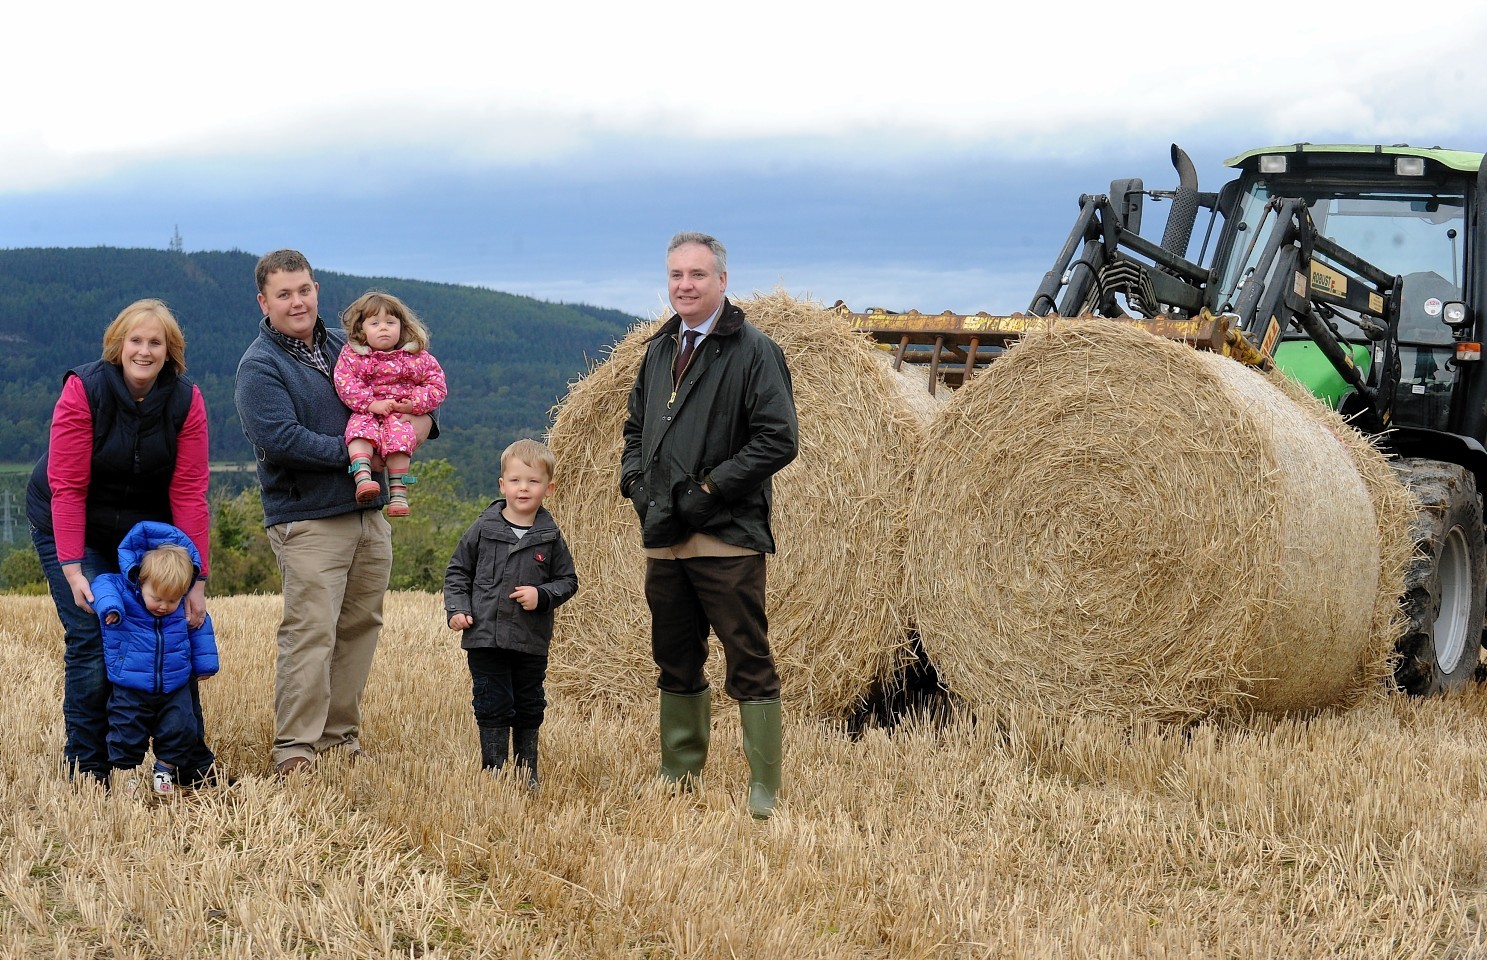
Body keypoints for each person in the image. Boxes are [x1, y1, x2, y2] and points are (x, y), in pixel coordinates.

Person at [234, 249, 435, 777]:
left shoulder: (350, 345)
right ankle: (296, 748)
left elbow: (407, 391)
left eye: (303, 290)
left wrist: (421, 425)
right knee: (311, 631)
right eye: (284, 294)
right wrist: (355, 454)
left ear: (316, 290)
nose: (296, 301)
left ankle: (338, 737)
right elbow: (279, 440)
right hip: (309, 519)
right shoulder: (260, 366)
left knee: (360, 625)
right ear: (265, 301)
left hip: (371, 514)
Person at [619, 232, 799, 818]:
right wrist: (637, 487)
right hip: (664, 537)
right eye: (676, 275)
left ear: (722, 280)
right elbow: (634, 433)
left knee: (746, 656)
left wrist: (709, 491)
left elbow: (778, 439)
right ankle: (679, 773)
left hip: (726, 535)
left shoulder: (753, 350)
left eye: (697, 275)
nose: (685, 286)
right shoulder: (656, 351)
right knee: (674, 656)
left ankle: (763, 789)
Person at [26, 298, 217, 786]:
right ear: (118, 344)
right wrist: (73, 567)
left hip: (144, 530)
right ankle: (88, 766)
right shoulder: (84, 390)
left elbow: (189, 490)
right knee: (93, 635)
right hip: (72, 524)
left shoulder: (185, 398)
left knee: (171, 625)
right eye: (136, 340)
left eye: (156, 342)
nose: (145, 350)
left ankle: (188, 765)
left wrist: (195, 577)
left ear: (170, 351)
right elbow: (68, 487)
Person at [444, 438, 578, 791]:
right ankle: (494, 770)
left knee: (529, 702)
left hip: (529, 640)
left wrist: (543, 595)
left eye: (533, 482)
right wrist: (457, 610)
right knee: (492, 701)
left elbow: (568, 580)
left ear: (549, 489)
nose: (523, 488)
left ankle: (526, 770)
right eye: (516, 480)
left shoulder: (550, 537)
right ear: (502, 484)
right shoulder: (483, 529)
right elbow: (458, 572)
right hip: (485, 637)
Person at [90, 521, 220, 796]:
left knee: (182, 728)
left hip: (175, 685)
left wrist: (206, 665)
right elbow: (102, 586)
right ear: (140, 581)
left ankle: (165, 769)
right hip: (131, 685)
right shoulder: (123, 590)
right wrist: (110, 607)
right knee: (126, 731)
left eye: (172, 601)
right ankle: (126, 774)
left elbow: (199, 629)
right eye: (157, 598)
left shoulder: (180, 605)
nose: (164, 606)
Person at [333, 292, 448, 517]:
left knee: (401, 441)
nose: (383, 328)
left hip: (397, 414)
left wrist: (414, 405)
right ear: (361, 329)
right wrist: (370, 404)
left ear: (402, 326)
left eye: (390, 322)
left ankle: (398, 494)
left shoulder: (416, 357)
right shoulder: (353, 356)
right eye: (375, 323)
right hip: (367, 411)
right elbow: (344, 383)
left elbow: (436, 385)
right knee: (358, 434)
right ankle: (363, 477)